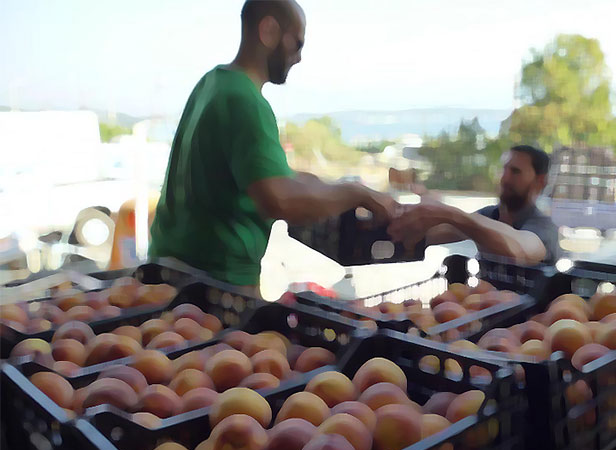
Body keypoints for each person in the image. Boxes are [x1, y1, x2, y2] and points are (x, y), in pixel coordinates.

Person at [149, 0, 397, 289]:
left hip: (169, 270)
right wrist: (356, 194)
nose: (299, 57)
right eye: (298, 43)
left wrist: (340, 187)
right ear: (268, 31)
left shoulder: (214, 83)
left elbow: (269, 177)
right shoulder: (246, 101)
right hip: (212, 285)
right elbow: (279, 200)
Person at [388, 145, 561, 265]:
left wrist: (449, 213)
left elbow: (520, 251)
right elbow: (437, 232)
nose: (504, 178)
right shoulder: (488, 215)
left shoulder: (544, 228)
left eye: (515, 172)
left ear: (540, 181)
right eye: (504, 169)